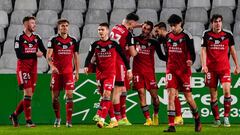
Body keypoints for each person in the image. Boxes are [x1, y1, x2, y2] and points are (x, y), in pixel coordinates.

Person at [84, 22, 132, 128]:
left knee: (106, 95)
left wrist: (129, 70)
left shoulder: (114, 44)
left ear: (107, 31)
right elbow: (89, 56)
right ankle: (114, 119)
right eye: (99, 30)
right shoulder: (95, 44)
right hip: (99, 74)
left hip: (110, 74)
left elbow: (124, 57)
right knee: (105, 97)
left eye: (102, 30)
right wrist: (86, 66)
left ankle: (101, 120)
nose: (100, 32)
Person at [163, 14, 201, 132]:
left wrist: (191, 61)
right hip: (171, 70)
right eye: (171, 26)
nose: (173, 28)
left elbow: (192, 53)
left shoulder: (187, 36)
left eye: (175, 25)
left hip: (184, 71)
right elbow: (167, 54)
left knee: (188, 97)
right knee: (171, 96)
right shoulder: (168, 36)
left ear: (180, 23)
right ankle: (171, 125)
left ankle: (197, 119)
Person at [201, 14, 240, 127]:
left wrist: (237, 65)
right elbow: (203, 50)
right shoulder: (206, 34)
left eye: (219, 21)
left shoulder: (228, 35)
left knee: (227, 92)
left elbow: (232, 51)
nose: (218, 24)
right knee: (213, 96)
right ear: (211, 23)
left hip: (224, 69)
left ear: (221, 23)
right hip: (211, 70)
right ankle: (217, 119)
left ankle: (226, 118)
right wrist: (204, 65)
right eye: (215, 21)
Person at [9, 16, 47, 127]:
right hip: (23, 69)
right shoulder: (19, 37)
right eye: (32, 23)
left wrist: (52, 64)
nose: (35, 25)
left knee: (28, 96)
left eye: (35, 23)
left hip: (33, 70)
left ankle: (15, 115)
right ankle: (28, 121)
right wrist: (34, 54)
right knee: (28, 94)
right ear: (26, 24)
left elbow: (44, 51)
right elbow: (19, 54)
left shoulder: (37, 37)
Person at [47, 19, 80, 128]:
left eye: (66, 26)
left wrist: (77, 71)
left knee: (70, 95)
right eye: (62, 26)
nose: (64, 27)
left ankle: (69, 121)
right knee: (54, 98)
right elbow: (48, 56)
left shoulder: (73, 40)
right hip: (57, 73)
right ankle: (57, 118)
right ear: (58, 27)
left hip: (68, 72)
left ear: (68, 27)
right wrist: (52, 66)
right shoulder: (53, 40)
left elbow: (76, 57)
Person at [132, 21, 166, 126]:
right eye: (144, 28)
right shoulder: (134, 40)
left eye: (147, 29)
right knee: (141, 94)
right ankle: (148, 119)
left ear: (151, 31)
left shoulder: (154, 42)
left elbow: (161, 56)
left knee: (155, 98)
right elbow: (128, 29)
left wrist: (172, 59)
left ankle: (155, 114)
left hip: (149, 73)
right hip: (137, 72)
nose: (145, 30)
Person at [109, 13, 139, 125]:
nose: (133, 27)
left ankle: (123, 116)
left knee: (123, 90)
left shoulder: (115, 27)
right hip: (119, 61)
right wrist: (138, 49)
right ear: (131, 22)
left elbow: (126, 23)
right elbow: (133, 53)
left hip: (110, 60)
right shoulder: (128, 34)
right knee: (118, 90)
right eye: (133, 25)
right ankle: (117, 118)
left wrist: (139, 25)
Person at [153, 22, 184, 125]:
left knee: (178, 93)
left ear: (162, 29)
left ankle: (179, 116)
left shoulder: (172, 37)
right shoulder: (161, 40)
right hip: (170, 67)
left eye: (157, 31)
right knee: (173, 92)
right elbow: (161, 56)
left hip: (179, 68)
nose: (155, 33)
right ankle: (179, 117)